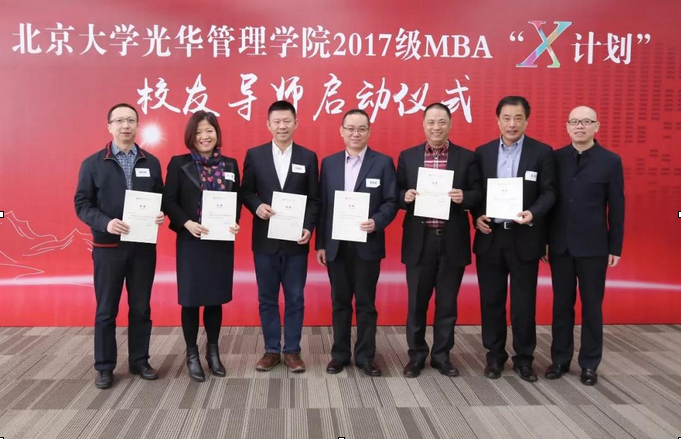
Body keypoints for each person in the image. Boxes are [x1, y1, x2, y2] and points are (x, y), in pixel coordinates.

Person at [74, 103, 164, 389]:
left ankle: (139, 360)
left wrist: (160, 214)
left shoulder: (151, 162)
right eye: (120, 121)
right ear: (109, 127)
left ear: (138, 125)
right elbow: (82, 204)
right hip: (108, 248)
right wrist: (105, 223)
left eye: (131, 120)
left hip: (142, 248)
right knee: (106, 310)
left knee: (141, 307)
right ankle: (104, 366)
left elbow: (160, 198)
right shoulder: (92, 163)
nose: (126, 125)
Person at [473, 96, 556, 382]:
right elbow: (475, 192)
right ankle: (494, 356)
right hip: (491, 237)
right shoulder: (482, 153)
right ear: (497, 120)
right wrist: (477, 215)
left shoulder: (542, 152)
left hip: (525, 237)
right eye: (506, 118)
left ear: (526, 120)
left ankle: (524, 359)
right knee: (491, 301)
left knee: (524, 303)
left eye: (518, 118)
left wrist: (533, 213)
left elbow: (549, 192)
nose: (512, 123)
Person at [397, 103, 482, 378]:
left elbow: (479, 193)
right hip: (419, 241)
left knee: (447, 304)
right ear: (423, 125)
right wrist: (404, 197)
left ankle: (442, 356)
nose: (436, 127)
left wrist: (465, 197)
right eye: (431, 122)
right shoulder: (408, 156)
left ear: (450, 124)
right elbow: (396, 191)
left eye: (442, 122)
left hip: (451, 240)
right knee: (416, 304)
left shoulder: (466, 157)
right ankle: (416, 356)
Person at [544, 106, 624, 386]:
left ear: (596, 126)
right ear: (567, 126)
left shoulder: (610, 161)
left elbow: (617, 206)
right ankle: (560, 359)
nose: (580, 126)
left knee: (592, 306)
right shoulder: (555, 159)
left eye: (586, 121)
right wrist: (545, 240)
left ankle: (589, 364)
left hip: (594, 247)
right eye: (575, 122)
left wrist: (615, 246)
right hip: (560, 245)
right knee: (561, 304)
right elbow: (548, 202)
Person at [316, 108, 398, 377]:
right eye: (350, 128)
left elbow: (391, 201)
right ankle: (339, 355)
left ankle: (365, 356)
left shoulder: (383, 162)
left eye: (361, 128)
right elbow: (323, 205)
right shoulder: (329, 163)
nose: (355, 133)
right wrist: (321, 244)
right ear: (341, 131)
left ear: (369, 132)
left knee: (365, 303)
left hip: (367, 244)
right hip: (337, 245)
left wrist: (376, 221)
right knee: (339, 302)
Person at [241, 100, 320, 373]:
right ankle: (272, 350)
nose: (282, 126)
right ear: (268, 125)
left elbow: (314, 199)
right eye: (277, 121)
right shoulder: (255, 155)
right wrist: (257, 206)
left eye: (287, 121)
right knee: (267, 298)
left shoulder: (308, 157)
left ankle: (293, 351)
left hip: (296, 241)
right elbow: (245, 191)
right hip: (265, 240)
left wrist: (309, 227)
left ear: (296, 123)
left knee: (296, 297)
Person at [163, 111, 241, 382]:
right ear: (191, 137)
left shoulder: (230, 164)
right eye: (198, 132)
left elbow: (235, 200)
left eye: (209, 130)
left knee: (215, 299)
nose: (205, 136)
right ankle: (192, 354)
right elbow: (169, 201)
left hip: (220, 242)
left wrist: (234, 223)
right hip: (191, 241)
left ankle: (213, 352)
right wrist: (186, 223)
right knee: (191, 300)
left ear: (217, 133)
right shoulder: (179, 164)